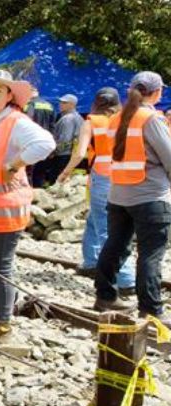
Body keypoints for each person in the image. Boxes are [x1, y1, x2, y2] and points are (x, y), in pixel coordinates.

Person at [0, 69, 55, 342]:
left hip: (3, 206)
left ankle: (2, 321)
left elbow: (46, 143)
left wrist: (14, 164)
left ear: (9, 95)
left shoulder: (15, 121)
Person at [94, 71, 171, 321]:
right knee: (150, 254)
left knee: (115, 245)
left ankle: (105, 295)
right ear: (158, 92)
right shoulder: (150, 119)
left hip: (118, 194)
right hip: (150, 196)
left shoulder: (116, 118)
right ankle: (150, 309)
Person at [56, 87, 135, 291]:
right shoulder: (126, 119)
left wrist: (65, 172)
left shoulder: (90, 122)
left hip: (101, 175)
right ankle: (91, 261)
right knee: (95, 220)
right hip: (124, 174)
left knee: (106, 228)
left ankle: (125, 279)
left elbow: (80, 152)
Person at [42, 93, 82, 185]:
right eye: (60, 102)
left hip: (62, 155)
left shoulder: (67, 119)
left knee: (55, 180)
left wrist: (53, 152)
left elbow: (65, 139)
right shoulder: (78, 117)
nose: (60, 104)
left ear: (72, 104)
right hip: (71, 154)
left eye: (64, 103)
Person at [26, 89, 58, 187]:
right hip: (46, 142)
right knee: (40, 170)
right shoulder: (49, 106)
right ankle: (39, 191)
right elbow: (53, 125)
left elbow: (27, 122)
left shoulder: (30, 105)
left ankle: (30, 193)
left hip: (32, 140)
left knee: (29, 170)